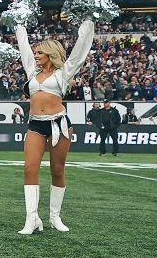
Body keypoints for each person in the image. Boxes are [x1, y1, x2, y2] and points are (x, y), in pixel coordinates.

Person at [13, 14, 97, 234]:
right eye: (36, 52)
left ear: (50, 55)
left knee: (57, 170)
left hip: (59, 125)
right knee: (29, 168)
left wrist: (88, 21)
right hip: (35, 125)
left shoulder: (63, 73)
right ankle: (31, 219)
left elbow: (79, 53)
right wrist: (19, 23)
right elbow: (23, 48)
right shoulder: (32, 72)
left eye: (40, 52)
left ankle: (54, 217)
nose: (36, 55)